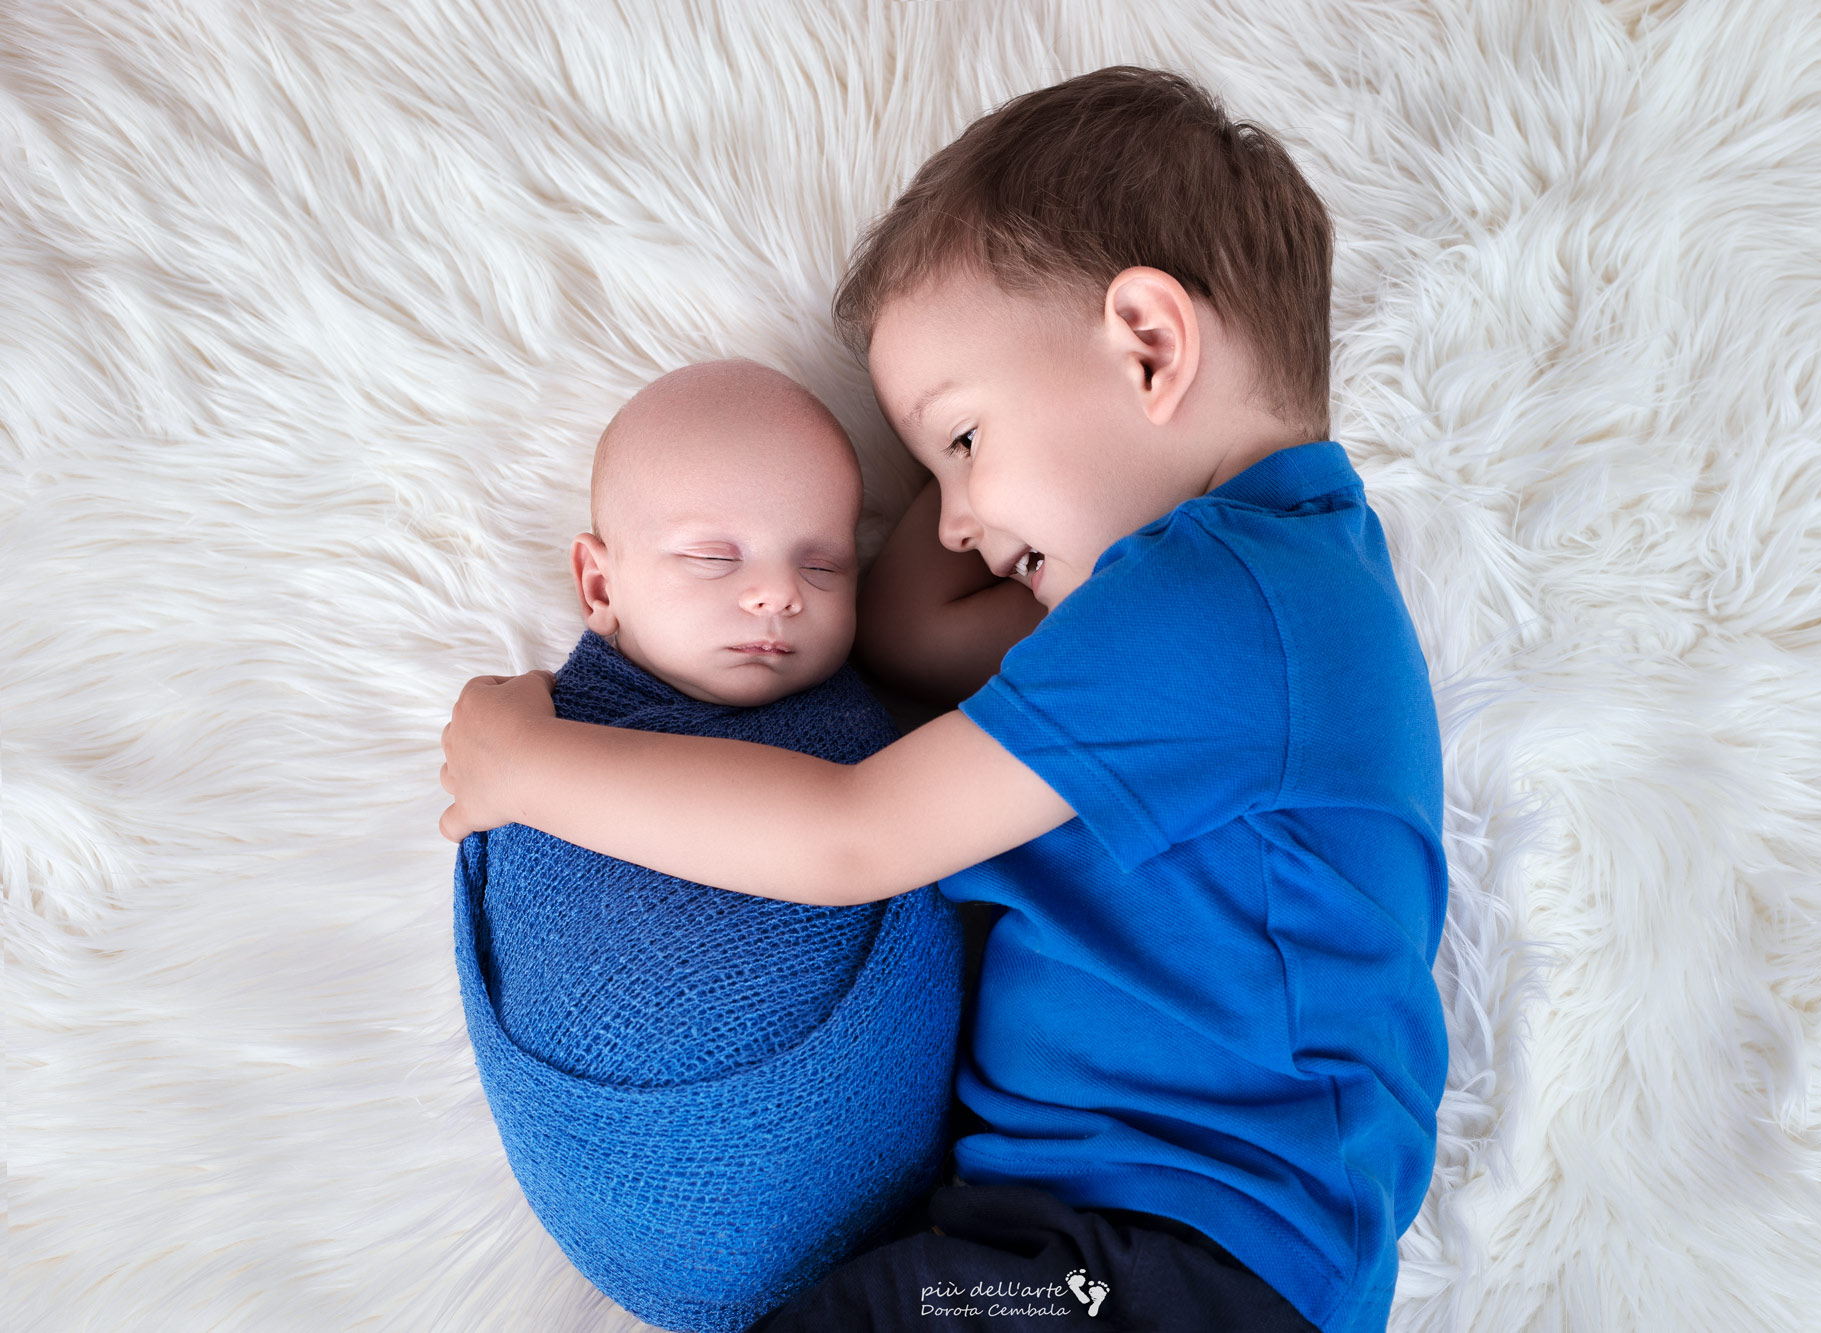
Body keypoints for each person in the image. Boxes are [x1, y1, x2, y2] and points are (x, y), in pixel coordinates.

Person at [440, 66, 1447, 1332]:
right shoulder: (1264, 594)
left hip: (1174, 1255)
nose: (955, 523)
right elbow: (912, 639)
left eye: (961, 442)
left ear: (1149, 347)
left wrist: (533, 770)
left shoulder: (1222, 605)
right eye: (930, 469)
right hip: (1108, 1256)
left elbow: (852, 835)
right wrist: (971, 439)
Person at [450, 359, 962, 1333]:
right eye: (714, 558)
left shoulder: (864, 736)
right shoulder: (559, 731)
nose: (777, 594)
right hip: (635, 1196)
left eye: (823, 564)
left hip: (878, 1211)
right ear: (599, 582)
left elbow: (858, 832)